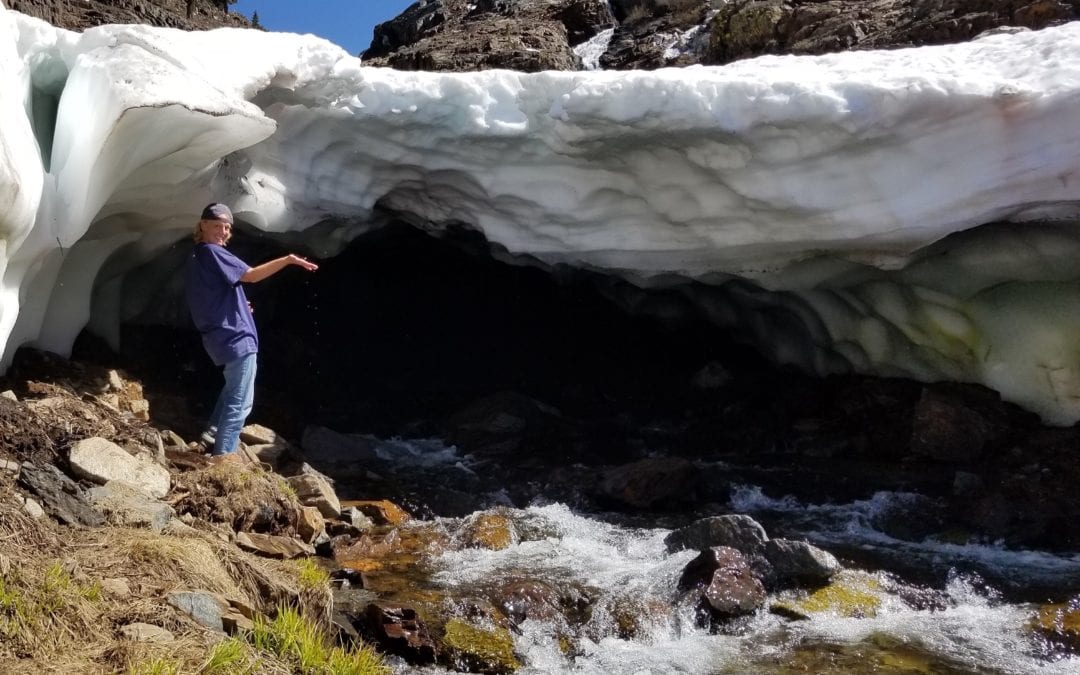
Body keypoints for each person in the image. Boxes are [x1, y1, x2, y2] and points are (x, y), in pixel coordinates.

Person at [185, 203, 318, 463]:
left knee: (231, 390)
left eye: (227, 227)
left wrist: (236, 305)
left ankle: (209, 437)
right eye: (217, 226)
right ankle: (223, 459)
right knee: (240, 401)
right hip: (236, 338)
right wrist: (288, 260)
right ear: (202, 225)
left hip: (219, 337)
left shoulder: (197, 256)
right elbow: (251, 275)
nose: (223, 232)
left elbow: (207, 297)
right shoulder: (213, 252)